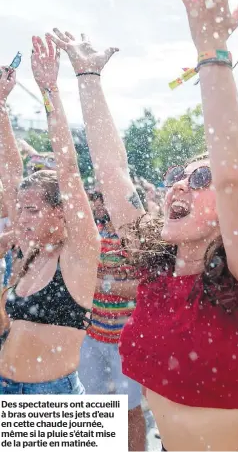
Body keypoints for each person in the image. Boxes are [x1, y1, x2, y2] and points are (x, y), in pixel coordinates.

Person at [49, 0, 238, 450]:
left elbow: (235, 175)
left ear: (232, 217)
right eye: (180, 174)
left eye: (200, 181)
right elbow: (114, 174)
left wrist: (211, 50)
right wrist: (88, 77)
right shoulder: (157, 268)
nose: (179, 183)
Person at [0, 36, 99, 394]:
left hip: (51, 399)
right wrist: (0, 105)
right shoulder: (30, 252)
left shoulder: (80, 254)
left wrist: (49, 90)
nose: (20, 219)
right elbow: (11, 172)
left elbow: (69, 171)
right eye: (20, 210)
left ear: (61, 212)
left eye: (31, 210)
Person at [78, 191, 146, 451]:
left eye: (102, 197)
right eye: (95, 197)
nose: (95, 203)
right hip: (92, 337)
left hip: (126, 342)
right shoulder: (94, 232)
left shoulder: (135, 238)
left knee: (130, 410)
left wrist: (102, 284)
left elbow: (143, 288)